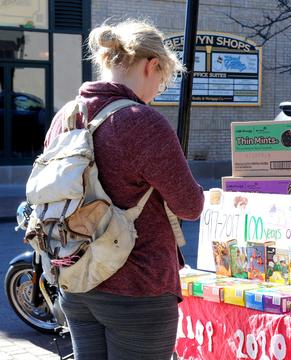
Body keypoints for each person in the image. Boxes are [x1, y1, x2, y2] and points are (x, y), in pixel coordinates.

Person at [44, 19, 204, 360]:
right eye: (162, 80)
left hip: (77, 280)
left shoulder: (67, 117)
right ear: (152, 65)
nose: (158, 90)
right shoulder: (141, 121)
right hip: (138, 289)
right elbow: (190, 206)